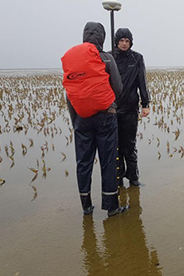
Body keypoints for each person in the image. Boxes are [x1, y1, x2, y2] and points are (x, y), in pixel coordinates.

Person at [61, 22, 127, 217]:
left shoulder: (71, 59)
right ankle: (111, 207)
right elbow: (118, 87)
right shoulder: (106, 58)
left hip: (81, 117)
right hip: (105, 116)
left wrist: (75, 120)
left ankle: (86, 206)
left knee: (83, 162)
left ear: (84, 36)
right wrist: (109, 104)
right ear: (102, 37)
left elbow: (70, 92)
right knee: (108, 160)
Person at [111, 28, 150, 187]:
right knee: (115, 145)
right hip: (112, 109)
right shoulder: (109, 57)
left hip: (130, 108)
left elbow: (142, 82)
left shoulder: (137, 58)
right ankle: (118, 178)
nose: (124, 44)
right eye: (121, 41)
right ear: (117, 41)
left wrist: (145, 104)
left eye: (127, 41)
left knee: (130, 144)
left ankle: (133, 178)